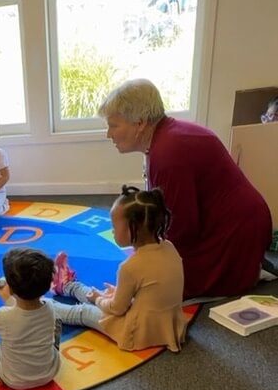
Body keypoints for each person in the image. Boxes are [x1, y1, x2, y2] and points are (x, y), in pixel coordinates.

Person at [99, 79, 272, 300]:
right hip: (241, 220)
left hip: (236, 232)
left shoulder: (168, 154)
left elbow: (180, 228)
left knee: (157, 285)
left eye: (114, 125)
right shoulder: (168, 136)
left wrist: (147, 263)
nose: (109, 134)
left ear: (139, 123)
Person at [51, 186, 187, 352]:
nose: (113, 232)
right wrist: (105, 296)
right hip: (162, 322)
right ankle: (67, 286)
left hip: (136, 331)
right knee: (105, 295)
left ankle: (45, 306)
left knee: (85, 311)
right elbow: (150, 289)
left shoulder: (130, 267)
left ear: (132, 229)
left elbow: (117, 309)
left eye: (114, 227)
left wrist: (97, 299)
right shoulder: (169, 246)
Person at [0, 248, 61, 390]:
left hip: (15, 379)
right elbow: (26, 314)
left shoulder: (4, 316)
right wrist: (7, 296)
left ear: (11, 289)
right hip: (49, 372)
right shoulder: (49, 306)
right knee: (57, 322)